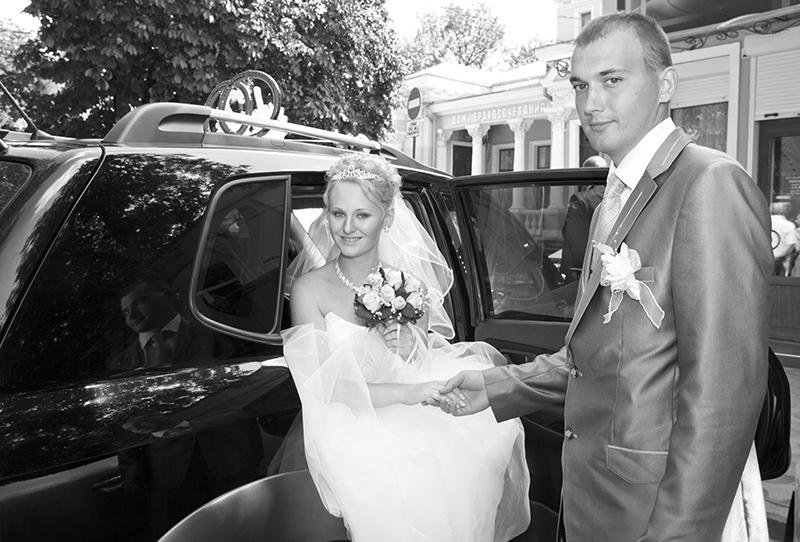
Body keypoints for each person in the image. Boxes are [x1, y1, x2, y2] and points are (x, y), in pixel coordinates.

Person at [441, 12, 771, 542]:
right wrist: (496, 386)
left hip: (658, 512)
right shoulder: (609, 203)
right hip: (593, 502)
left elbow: (723, 400)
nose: (591, 103)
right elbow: (594, 361)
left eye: (612, 79)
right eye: (580, 85)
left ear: (666, 84)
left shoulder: (709, 184)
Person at [283, 153, 530, 542]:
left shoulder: (408, 285)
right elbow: (325, 388)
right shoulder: (308, 289)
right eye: (337, 213)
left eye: (362, 215)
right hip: (344, 430)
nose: (347, 228)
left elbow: (419, 359)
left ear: (387, 218)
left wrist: (410, 344)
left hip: (414, 423)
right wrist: (413, 393)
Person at [109, 277, 263, 540]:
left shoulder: (217, 334)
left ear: (168, 295)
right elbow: (125, 429)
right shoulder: (121, 364)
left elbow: (245, 393)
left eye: (140, 302)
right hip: (168, 474)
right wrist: (133, 476)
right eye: (125, 312)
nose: (132, 315)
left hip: (231, 458)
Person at [560, 155, 608, 282]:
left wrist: (571, 273)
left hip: (581, 273)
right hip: (607, 271)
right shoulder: (615, 196)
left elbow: (573, 238)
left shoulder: (580, 200)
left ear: (585, 175)